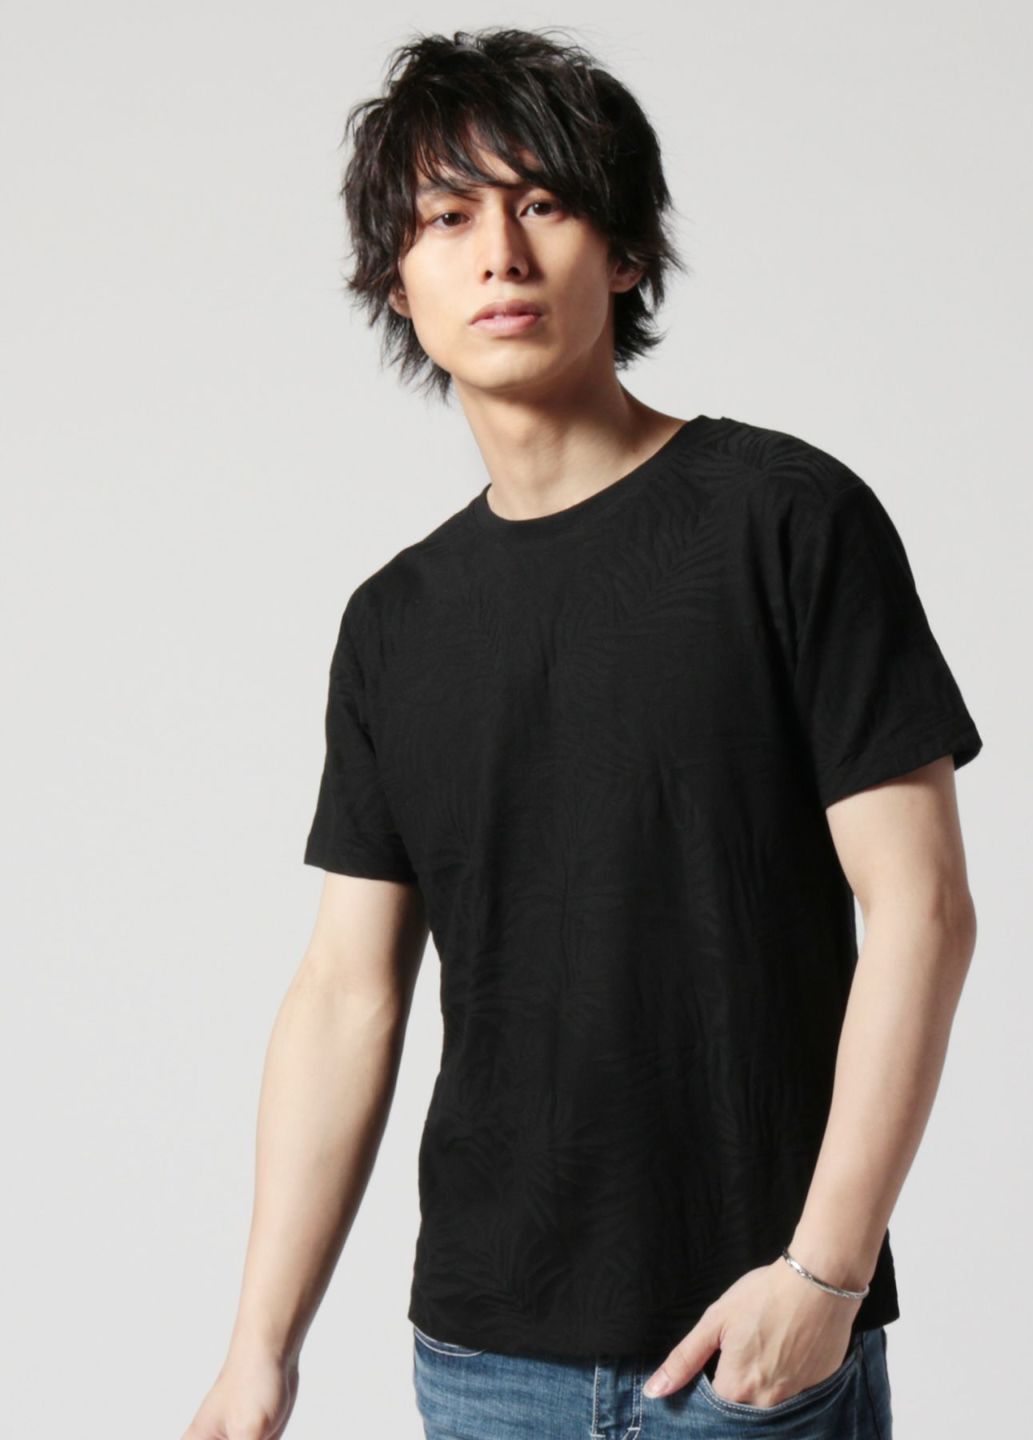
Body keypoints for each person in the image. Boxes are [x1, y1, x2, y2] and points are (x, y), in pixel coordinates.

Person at [182, 25, 982, 1440]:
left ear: (622, 252)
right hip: (482, 1363)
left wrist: (824, 1277)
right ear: (398, 282)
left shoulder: (785, 520)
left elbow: (920, 909)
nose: (499, 253)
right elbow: (346, 992)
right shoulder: (394, 624)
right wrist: (260, 1351)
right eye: (447, 217)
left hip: (750, 1352)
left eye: (542, 202)